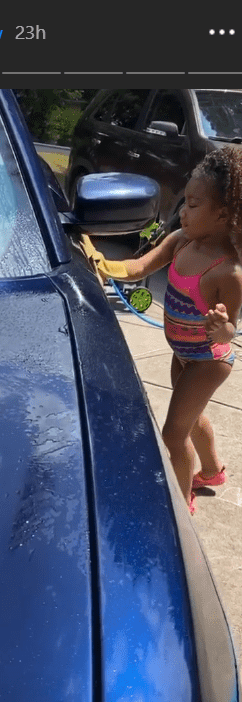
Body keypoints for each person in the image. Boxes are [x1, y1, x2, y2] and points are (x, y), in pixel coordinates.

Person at [104, 146, 242, 514]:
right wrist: (102, 264)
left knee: (173, 433)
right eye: (185, 201)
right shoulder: (181, 240)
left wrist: (222, 327)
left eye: (194, 205)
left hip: (208, 360)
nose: (183, 210)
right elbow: (137, 268)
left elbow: (231, 331)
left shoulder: (228, 271)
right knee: (193, 417)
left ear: (223, 213)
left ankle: (181, 508)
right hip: (184, 353)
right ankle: (211, 472)